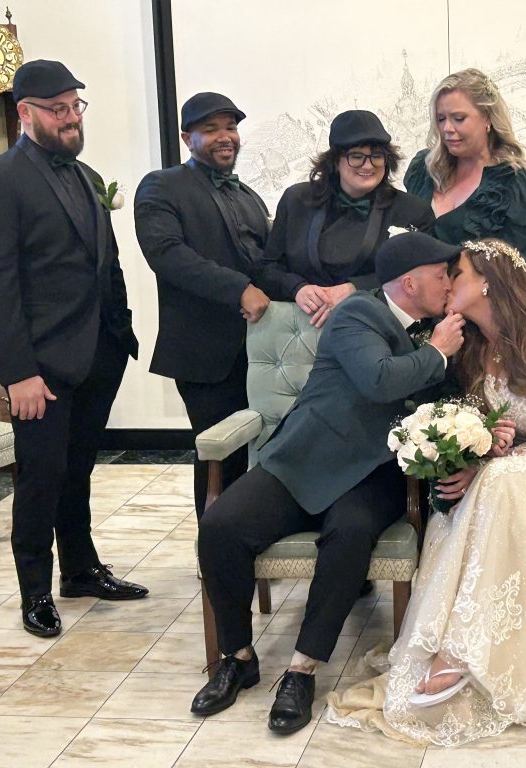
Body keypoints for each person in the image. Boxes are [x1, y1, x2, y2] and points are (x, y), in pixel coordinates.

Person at [328, 238, 526, 745]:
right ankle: (458, 645)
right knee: (469, 498)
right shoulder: (474, 347)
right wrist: (480, 445)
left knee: (497, 482)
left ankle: (461, 653)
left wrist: (498, 462)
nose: (449, 283)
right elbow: (491, 423)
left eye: (459, 273)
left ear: (488, 282)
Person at [189, 232, 465, 735]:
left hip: (371, 475)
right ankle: (237, 655)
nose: (449, 285)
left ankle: (302, 670)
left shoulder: (427, 330)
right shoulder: (359, 313)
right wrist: (440, 352)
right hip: (306, 458)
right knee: (221, 525)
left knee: (352, 535)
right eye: (443, 275)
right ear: (411, 280)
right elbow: (378, 379)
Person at [0, 59, 147, 638]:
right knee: (40, 478)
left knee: (78, 471)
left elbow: (105, 263)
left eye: (76, 106)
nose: (72, 118)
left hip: (98, 353)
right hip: (42, 366)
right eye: (59, 109)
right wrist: (16, 373)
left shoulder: (86, 175)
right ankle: (35, 592)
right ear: (26, 112)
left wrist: (121, 331)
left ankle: (81, 568)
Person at [134, 92, 272, 520]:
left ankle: (244, 541)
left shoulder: (249, 196)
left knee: (260, 454)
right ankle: (212, 552)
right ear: (185, 137)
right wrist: (238, 290)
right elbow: (168, 255)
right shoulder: (161, 185)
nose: (224, 137)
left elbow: (268, 264)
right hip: (204, 352)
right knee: (219, 455)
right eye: (210, 129)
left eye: (230, 127)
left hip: (261, 350)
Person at [253, 110, 434, 327]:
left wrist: (355, 289)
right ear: (335, 161)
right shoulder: (296, 200)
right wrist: (298, 288)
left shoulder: (412, 210)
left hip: (379, 329)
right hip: (305, 330)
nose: (368, 165)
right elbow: (267, 269)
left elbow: (425, 277)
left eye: (376, 156)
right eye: (356, 156)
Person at [404, 68, 526, 253]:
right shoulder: (424, 167)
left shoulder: (517, 181)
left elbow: (521, 264)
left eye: (458, 118)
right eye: (441, 119)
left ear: (487, 118)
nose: (447, 128)